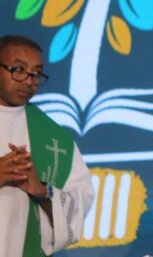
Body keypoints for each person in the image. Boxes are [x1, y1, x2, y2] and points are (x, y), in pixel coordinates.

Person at [0, 35, 94, 257]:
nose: (28, 81)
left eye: (36, 73)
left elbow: (80, 203)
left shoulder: (55, 140)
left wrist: (42, 192)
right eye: (18, 69)